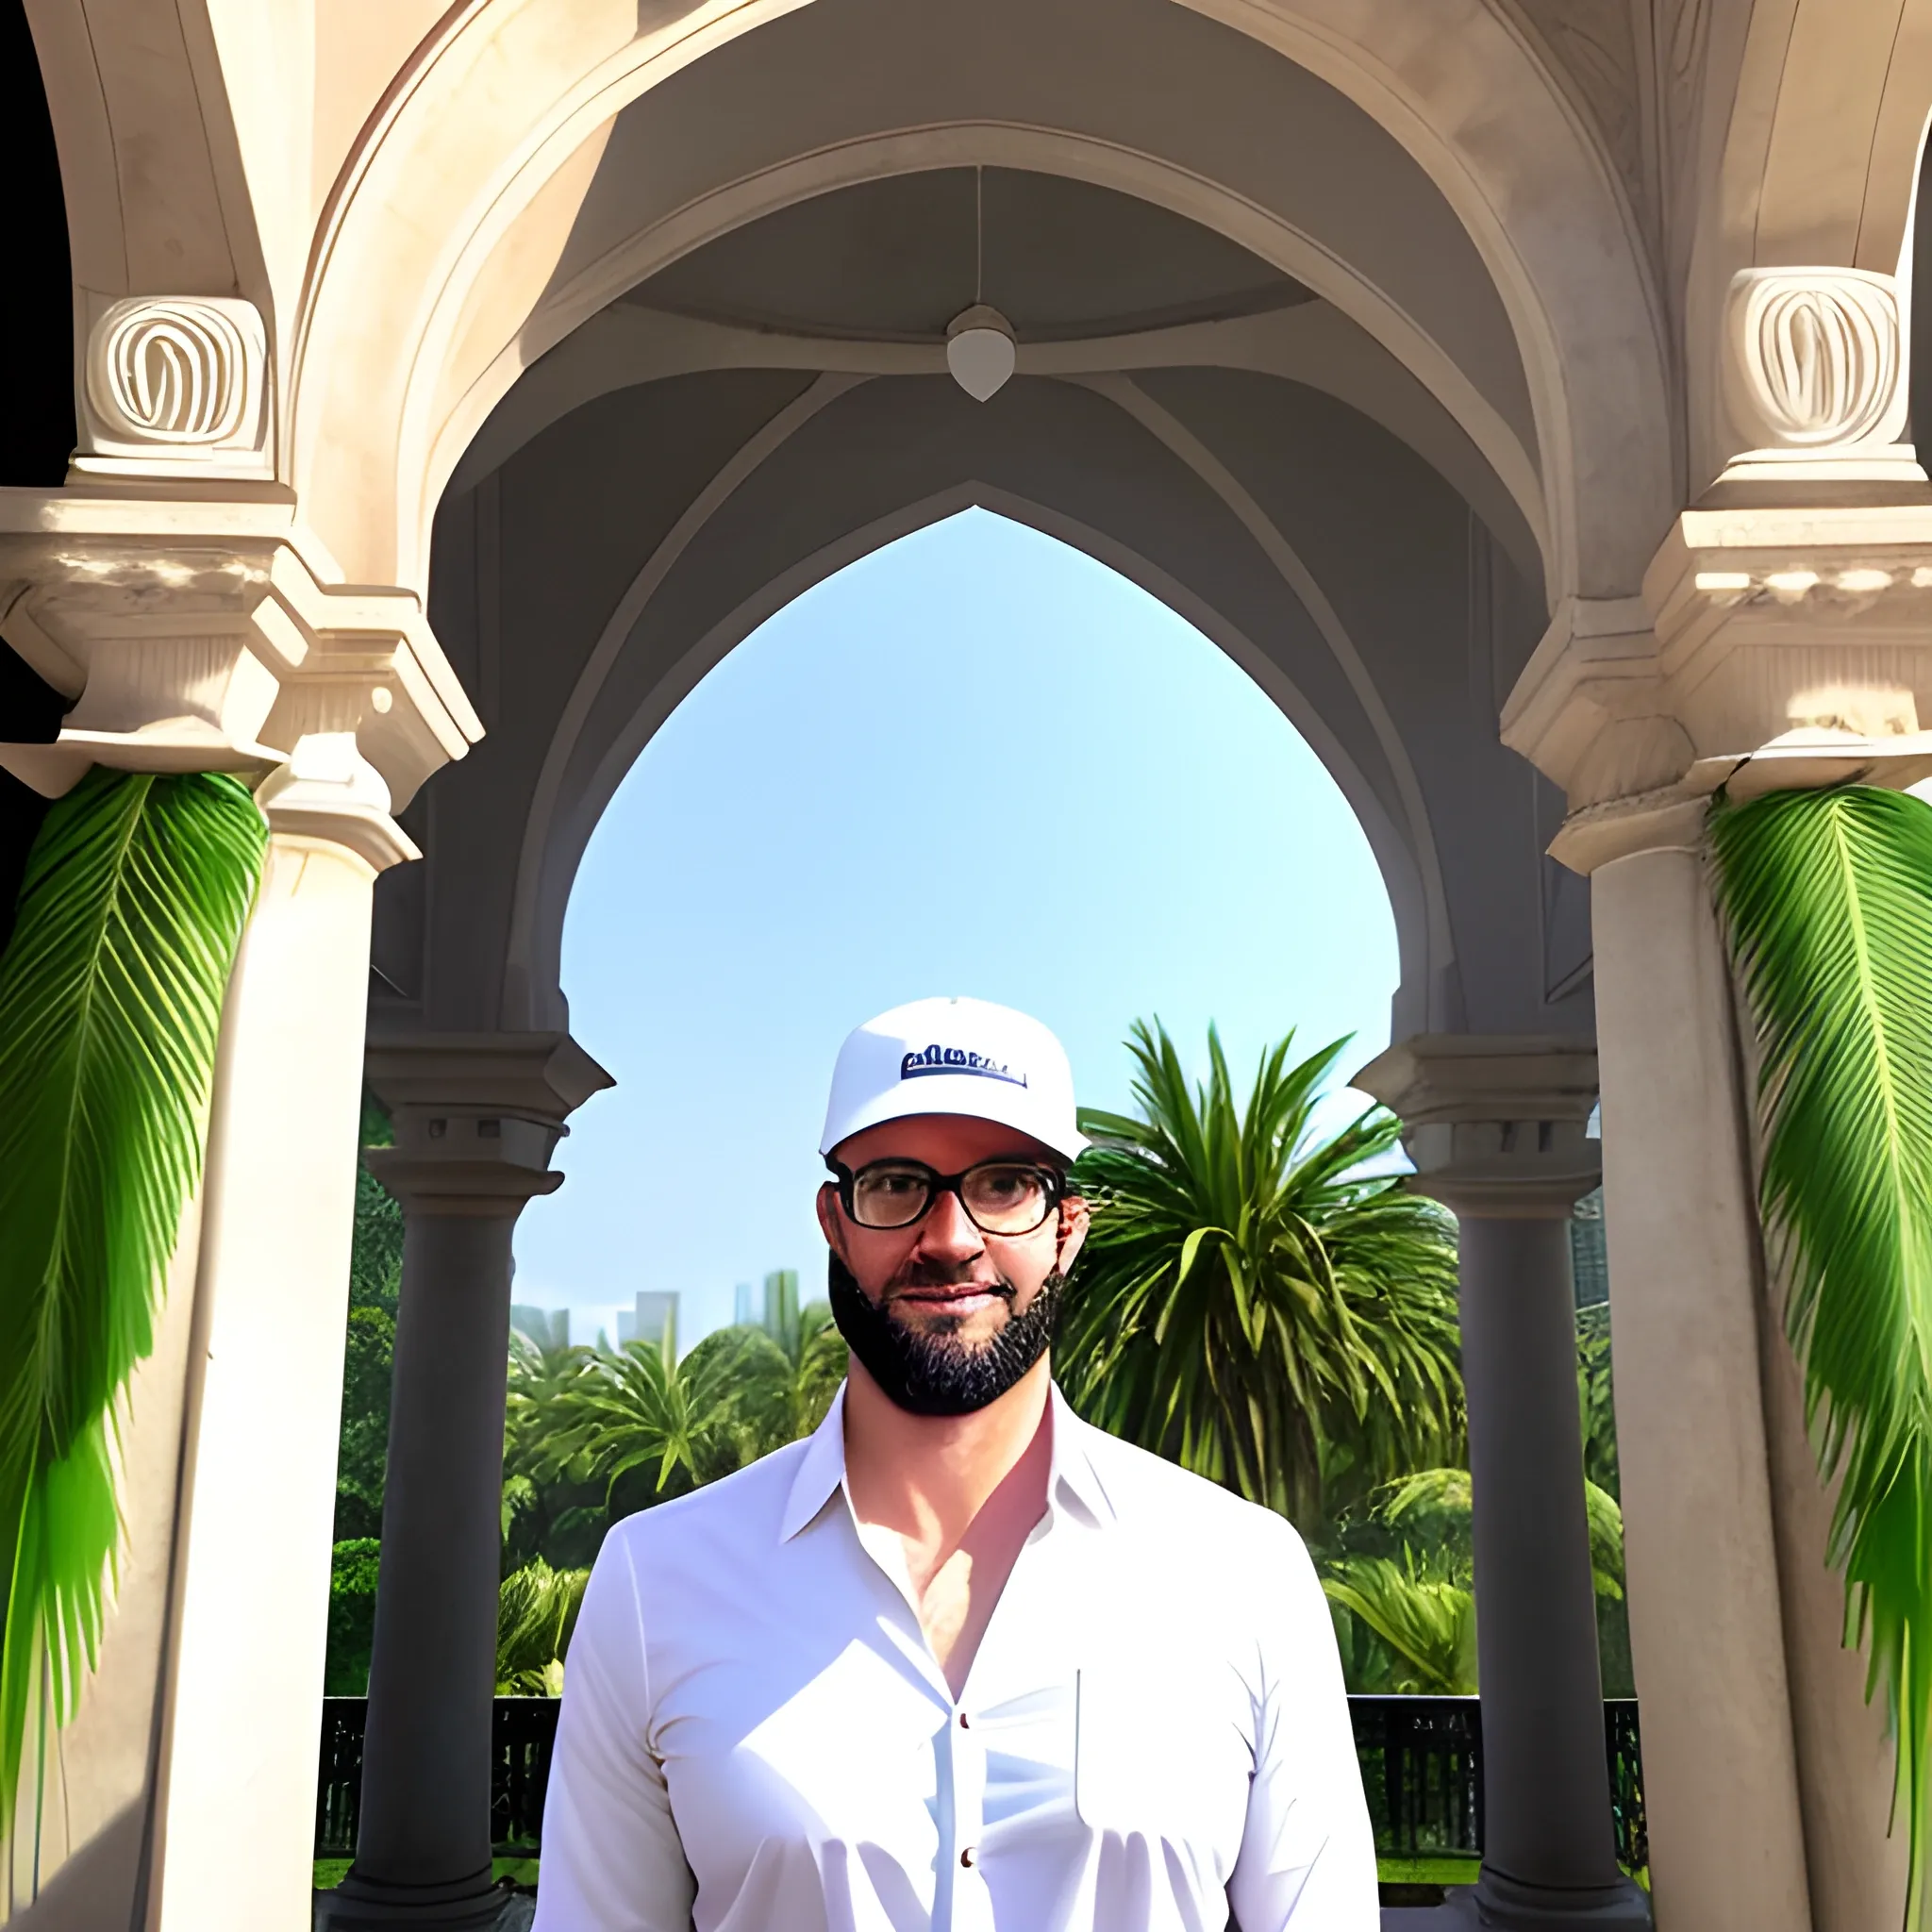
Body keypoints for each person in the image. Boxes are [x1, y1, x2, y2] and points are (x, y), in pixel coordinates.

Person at [534, 996, 1376, 1931]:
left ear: (1066, 1227)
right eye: (896, 1182)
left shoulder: (1241, 1570)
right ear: (834, 1221)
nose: (948, 1238)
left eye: (1005, 1183)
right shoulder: (657, 1579)